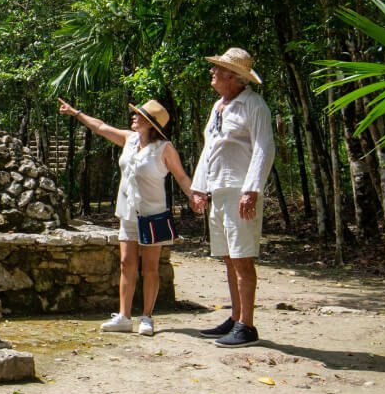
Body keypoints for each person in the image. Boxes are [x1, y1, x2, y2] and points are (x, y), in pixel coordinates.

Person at [58, 96, 193, 336]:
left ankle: (147, 317)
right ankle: (124, 316)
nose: (133, 117)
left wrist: (194, 196)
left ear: (151, 123)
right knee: (126, 264)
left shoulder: (164, 148)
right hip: (129, 212)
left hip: (153, 214)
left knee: (150, 268)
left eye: (138, 115)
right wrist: (75, 112)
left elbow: (181, 176)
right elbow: (99, 127)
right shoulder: (129, 140)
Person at [189, 47, 276, 347]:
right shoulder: (218, 107)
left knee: (242, 258)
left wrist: (252, 189)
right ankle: (236, 317)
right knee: (228, 258)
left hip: (241, 190)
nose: (212, 73)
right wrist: (199, 187)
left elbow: (264, 148)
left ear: (233, 76)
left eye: (217, 69)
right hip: (220, 190)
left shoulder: (254, 105)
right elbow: (209, 147)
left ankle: (247, 326)